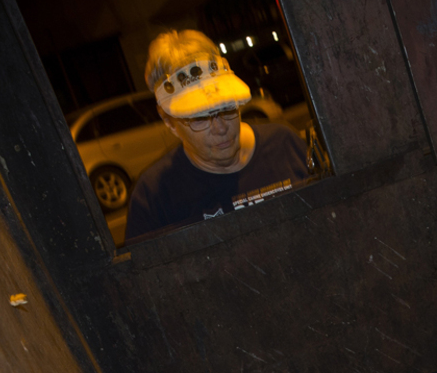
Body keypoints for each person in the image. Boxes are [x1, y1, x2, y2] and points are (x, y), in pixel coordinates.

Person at [124, 30, 310, 241]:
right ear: (169, 121)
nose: (221, 128)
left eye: (227, 108)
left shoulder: (284, 144)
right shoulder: (153, 197)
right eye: (199, 118)